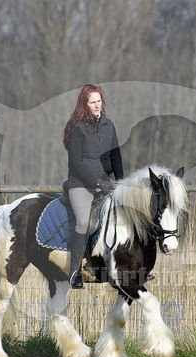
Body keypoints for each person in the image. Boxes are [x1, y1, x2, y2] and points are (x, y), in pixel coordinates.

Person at [63, 84, 124, 288]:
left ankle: (126, 267)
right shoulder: (77, 127)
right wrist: (95, 183)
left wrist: (121, 183)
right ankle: (74, 273)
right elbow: (76, 162)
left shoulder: (109, 126)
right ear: (84, 104)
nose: (97, 105)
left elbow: (115, 156)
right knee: (83, 222)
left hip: (105, 184)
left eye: (99, 101)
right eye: (92, 102)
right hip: (80, 184)